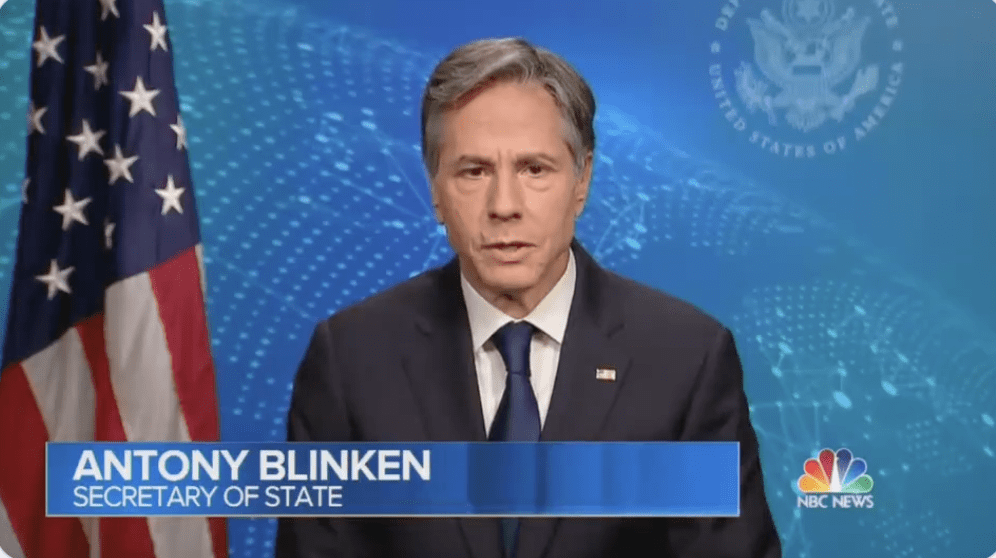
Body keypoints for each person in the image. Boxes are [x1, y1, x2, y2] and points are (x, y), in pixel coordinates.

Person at [275, 37, 782, 558]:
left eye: (534, 169)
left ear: (582, 180)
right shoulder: (351, 358)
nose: (504, 205)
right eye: (474, 171)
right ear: (435, 189)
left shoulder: (685, 360)